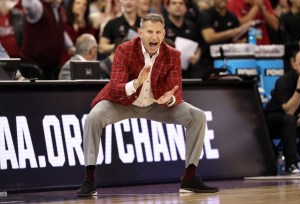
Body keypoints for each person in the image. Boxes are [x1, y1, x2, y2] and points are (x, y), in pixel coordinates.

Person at [76, 13, 219, 197]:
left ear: (164, 33)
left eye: (158, 32)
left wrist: (169, 98)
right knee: (94, 117)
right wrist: (136, 83)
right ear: (140, 33)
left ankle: (190, 177)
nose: (154, 36)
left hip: (156, 104)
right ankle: (89, 180)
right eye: (150, 31)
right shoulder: (124, 50)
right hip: (123, 102)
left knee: (197, 116)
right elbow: (114, 88)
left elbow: (177, 90)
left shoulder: (173, 54)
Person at [264, 50, 300, 175]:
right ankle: (291, 164)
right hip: (274, 121)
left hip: (298, 119)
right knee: (289, 119)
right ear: (294, 65)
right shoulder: (283, 81)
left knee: (293, 120)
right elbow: (289, 110)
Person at [20, 0, 75, 80]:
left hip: (52, 66)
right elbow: (27, 5)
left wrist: (70, 46)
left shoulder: (58, 8)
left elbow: (60, 30)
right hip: (34, 66)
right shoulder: (38, 6)